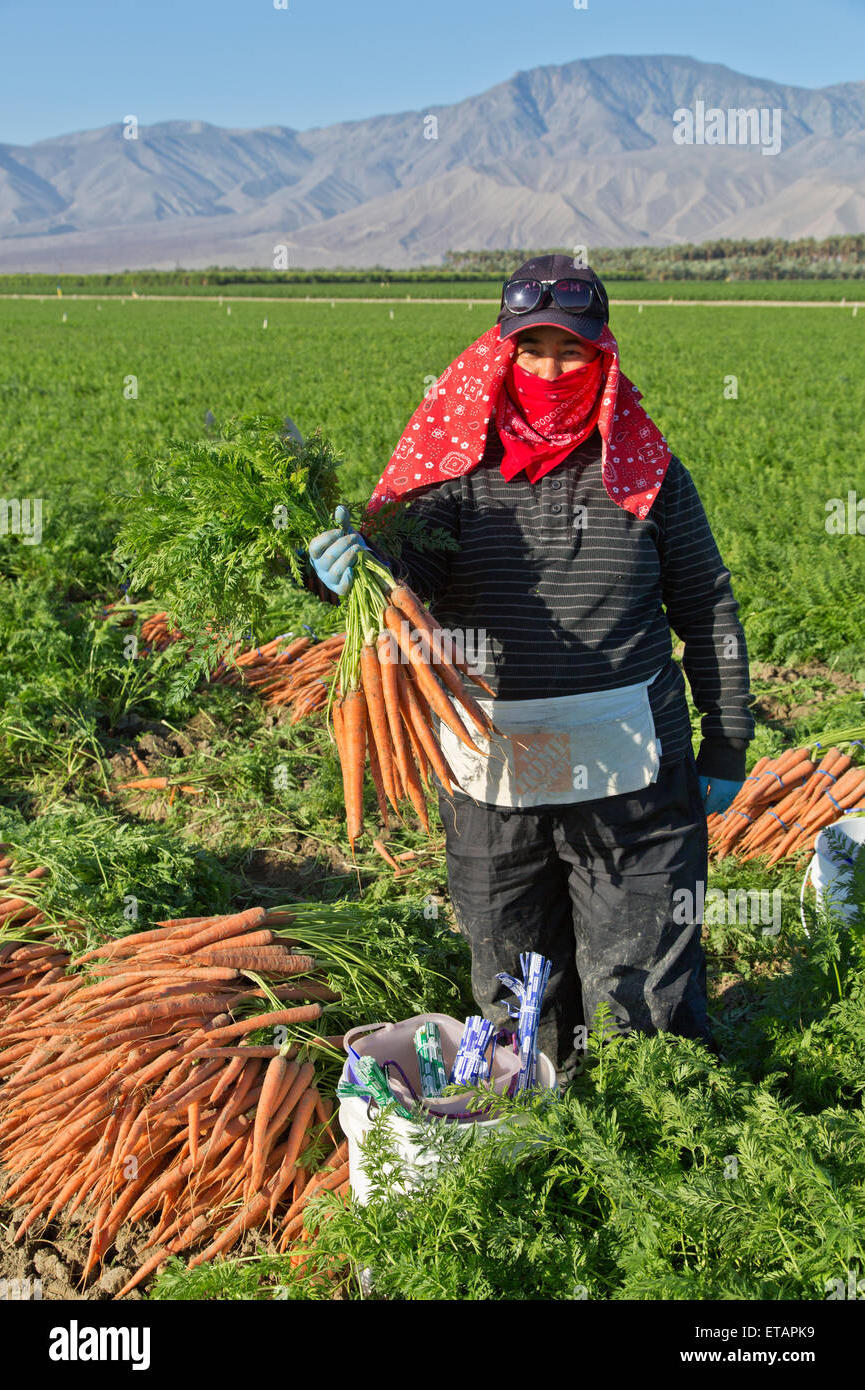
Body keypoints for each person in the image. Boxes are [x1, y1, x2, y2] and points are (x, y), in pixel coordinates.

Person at [307, 254, 754, 1079]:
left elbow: (708, 611)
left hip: (634, 777)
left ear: (604, 357)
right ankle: (537, 1135)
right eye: (533, 348)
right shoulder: (451, 480)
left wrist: (725, 744)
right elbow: (400, 581)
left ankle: (650, 1140)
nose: (552, 369)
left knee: (643, 982)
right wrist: (343, 570)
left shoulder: (647, 475)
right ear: (501, 353)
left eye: (573, 351)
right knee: (517, 988)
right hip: (496, 772)